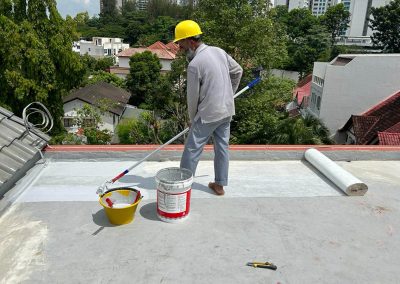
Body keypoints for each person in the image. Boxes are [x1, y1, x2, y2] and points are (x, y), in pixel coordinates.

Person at [174, 20, 243, 196]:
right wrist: (229, 94)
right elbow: (238, 71)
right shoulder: (218, 51)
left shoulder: (195, 64)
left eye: (181, 44)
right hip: (226, 110)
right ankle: (219, 185)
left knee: (192, 149)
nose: (180, 49)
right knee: (222, 147)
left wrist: (192, 119)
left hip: (207, 115)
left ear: (191, 41)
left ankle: (182, 187)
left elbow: (192, 98)